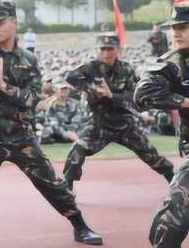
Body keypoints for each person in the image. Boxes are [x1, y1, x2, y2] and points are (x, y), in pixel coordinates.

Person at [0, 0, 103, 248]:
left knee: (51, 184)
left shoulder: (28, 60)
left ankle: (79, 224)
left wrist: (4, 86)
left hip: (21, 137)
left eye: (0, 22)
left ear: (14, 23)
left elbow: (34, 98)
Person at [62, 32, 174, 190]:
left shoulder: (126, 69)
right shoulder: (90, 67)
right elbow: (70, 77)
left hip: (124, 123)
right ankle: (67, 187)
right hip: (99, 123)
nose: (106, 53)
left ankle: (175, 182)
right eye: (103, 49)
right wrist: (93, 88)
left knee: (151, 155)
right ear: (97, 50)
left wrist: (111, 95)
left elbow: (136, 96)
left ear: (118, 49)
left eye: (110, 49)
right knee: (77, 151)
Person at [134, 1, 189, 248]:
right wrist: (185, 101)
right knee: (169, 230)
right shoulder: (171, 64)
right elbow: (142, 95)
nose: (176, 33)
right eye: (173, 28)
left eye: (183, 27)